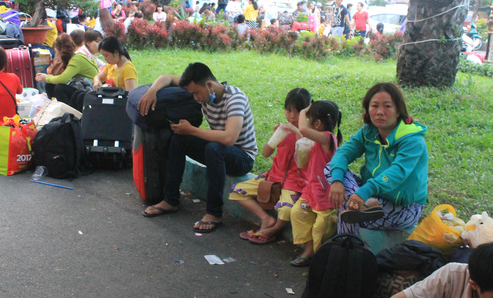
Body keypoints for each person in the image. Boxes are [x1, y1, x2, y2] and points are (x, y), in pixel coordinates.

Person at [139, 63, 257, 233]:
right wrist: (152, 91)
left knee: (213, 148)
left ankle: (214, 213)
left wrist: (192, 130)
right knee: (180, 139)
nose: (195, 98)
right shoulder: (202, 88)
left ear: (209, 85)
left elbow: (229, 138)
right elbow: (168, 78)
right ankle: (170, 200)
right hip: (218, 149)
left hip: (242, 157)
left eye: (196, 93)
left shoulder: (235, 98)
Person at [327, 82, 428, 235]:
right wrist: (337, 181)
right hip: (372, 198)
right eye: (374, 106)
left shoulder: (413, 141)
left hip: (404, 207)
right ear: (368, 110)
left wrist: (363, 193)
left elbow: (397, 173)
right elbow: (343, 153)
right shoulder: (368, 132)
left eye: (387, 106)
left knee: (349, 212)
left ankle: (346, 250)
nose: (380, 112)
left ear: (398, 110)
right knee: (331, 169)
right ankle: (362, 206)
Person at [230, 88, 312, 244]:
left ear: (307, 112)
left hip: (294, 183)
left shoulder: (310, 134)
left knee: (287, 210)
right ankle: (266, 219)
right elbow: (266, 153)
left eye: (298, 112)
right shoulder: (283, 130)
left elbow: (305, 160)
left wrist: (297, 134)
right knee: (236, 191)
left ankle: (274, 231)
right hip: (273, 178)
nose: (292, 116)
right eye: (289, 110)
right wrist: (276, 137)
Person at [289, 100, 342, 266]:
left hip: (325, 196)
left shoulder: (327, 138)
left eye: (308, 118)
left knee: (321, 227)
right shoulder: (319, 139)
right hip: (311, 190)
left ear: (317, 123)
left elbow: (303, 129)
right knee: (298, 213)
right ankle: (309, 249)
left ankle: (319, 254)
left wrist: (304, 110)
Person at [36, 33, 98, 108]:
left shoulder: (76, 59)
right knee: (50, 86)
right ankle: (54, 108)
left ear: (59, 51)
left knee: (60, 88)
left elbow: (63, 79)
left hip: (89, 90)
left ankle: (67, 113)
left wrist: (46, 78)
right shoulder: (75, 57)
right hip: (81, 86)